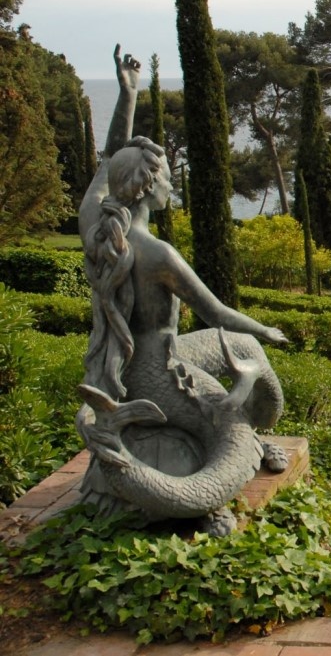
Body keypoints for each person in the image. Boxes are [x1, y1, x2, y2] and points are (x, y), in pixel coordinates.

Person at [77, 49, 287, 500]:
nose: (173, 185)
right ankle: (219, 477)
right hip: (159, 376)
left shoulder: (95, 227)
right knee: (231, 424)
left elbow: (107, 160)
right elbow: (217, 313)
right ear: (150, 186)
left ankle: (257, 429)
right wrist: (267, 329)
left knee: (246, 354)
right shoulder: (158, 254)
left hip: (130, 366)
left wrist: (128, 95)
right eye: (168, 178)